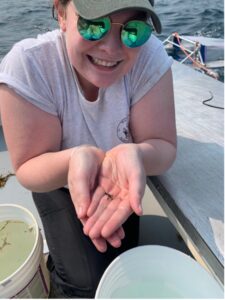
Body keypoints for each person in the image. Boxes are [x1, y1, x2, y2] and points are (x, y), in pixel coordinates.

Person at [0, 0, 177, 297]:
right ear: (61, 14)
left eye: (133, 31)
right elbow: (29, 166)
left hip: (121, 176)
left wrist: (135, 153)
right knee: (86, 282)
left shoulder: (149, 58)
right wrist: (73, 160)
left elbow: (163, 146)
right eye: (94, 25)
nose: (112, 48)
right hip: (56, 176)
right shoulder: (29, 66)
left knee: (121, 258)